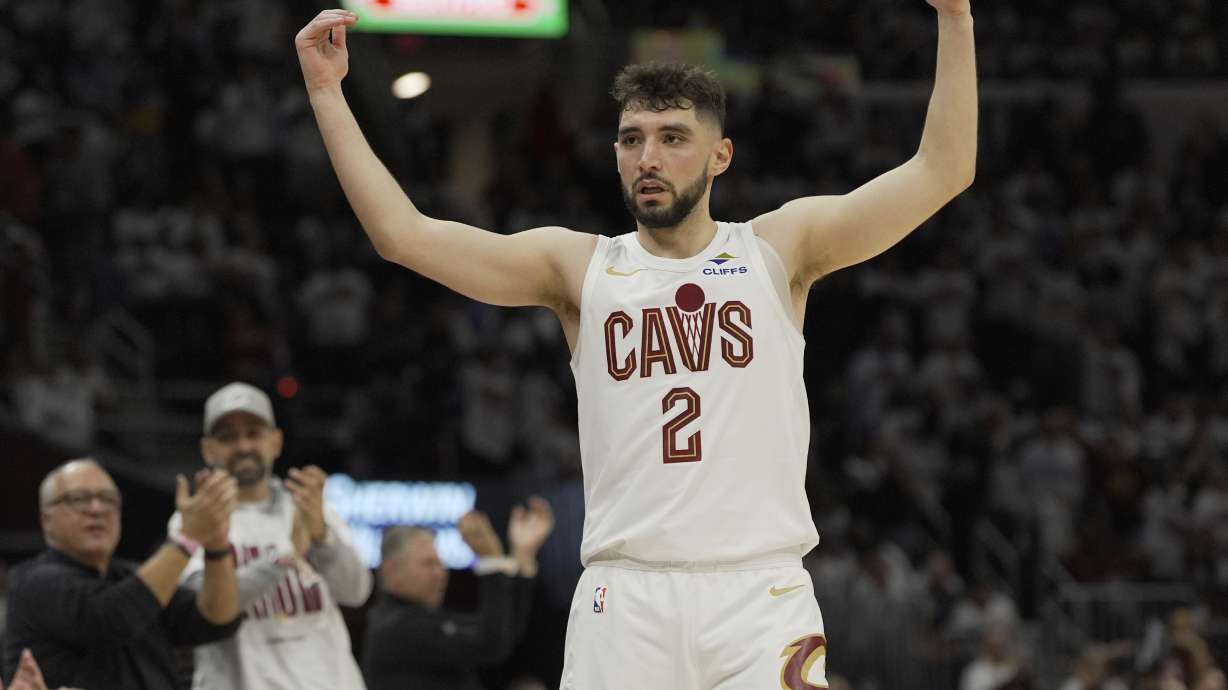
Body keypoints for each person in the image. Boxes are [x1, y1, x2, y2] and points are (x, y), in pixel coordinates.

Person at [295, 0, 977, 684]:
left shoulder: (780, 248)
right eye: (631, 139)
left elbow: (941, 171)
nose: (648, 157)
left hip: (759, 594)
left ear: (720, 156)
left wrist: (955, 17)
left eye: (673, 137)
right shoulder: (578, 266)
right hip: (624, 598)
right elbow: (403, 236)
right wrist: (328, 92)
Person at [168, 382, 373, 690]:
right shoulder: (194, 520)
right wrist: (286, 555)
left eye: (254, 433)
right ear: (207, 450)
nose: (243, 446)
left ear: (275, 442)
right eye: (228, 437)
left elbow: (356, 592)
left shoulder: (311, 506)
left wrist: (322, 535)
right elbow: (207, 609)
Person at [4, 459, 241, 690]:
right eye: (78, 499)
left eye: (108, 499)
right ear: (46, 519)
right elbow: (112, 619)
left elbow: (216, 621)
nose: (96, 509)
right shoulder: (34, 582)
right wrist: (187, 538)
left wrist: (216, 545)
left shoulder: (131, 576)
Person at [362, 498, 554, 690]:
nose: (441, 573)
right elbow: (490, 641)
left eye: (440, 564)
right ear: (392, 571)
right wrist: (490, 559)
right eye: (428, 564)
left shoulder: (417, 618)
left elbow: (504, 631)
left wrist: (523, 556)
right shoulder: (393, 628)